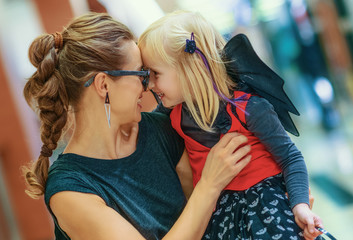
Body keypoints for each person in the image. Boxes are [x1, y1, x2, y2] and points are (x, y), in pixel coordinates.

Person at [22, 12, 252, 240]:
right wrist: (209, 186)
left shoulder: (164, 129)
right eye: (141, 74)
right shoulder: (70, 188)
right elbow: (203, 201)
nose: (148, 85)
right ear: (103, 85)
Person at [138, 10, 323, 240]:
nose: (150, 85)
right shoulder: (171, 115)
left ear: (190, 69)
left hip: (269, 211)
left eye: (155, 73)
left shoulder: (250, 109)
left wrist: (300, 205)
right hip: (220, 221)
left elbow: (291, 157)